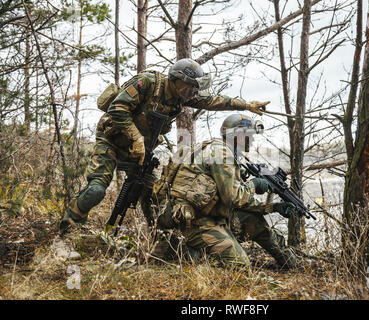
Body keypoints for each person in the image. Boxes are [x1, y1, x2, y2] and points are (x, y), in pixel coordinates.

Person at [59, 58, 269, 235]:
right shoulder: (147, 82)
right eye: (191, 89)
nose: (193, 94)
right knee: (96, 190)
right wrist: (136, 139)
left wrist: (247, 105)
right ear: (178, 81)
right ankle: (68, 230)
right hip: (112, 141)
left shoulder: (181, 97)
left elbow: (213, 101)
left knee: (155, 195)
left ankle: (158, 238)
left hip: (141, 153)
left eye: (195, 91)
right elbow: (117, 108)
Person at [153, 113, 301, 269]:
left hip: (212, 215)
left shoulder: (223, 151)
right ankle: (181, 252)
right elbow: (232, 198)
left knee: (255, 221)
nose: (251, 140)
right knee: (240, 266)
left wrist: (271, 208)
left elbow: (237, 200)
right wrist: (254, 184)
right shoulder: (222, 154)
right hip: (197, 222)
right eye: (248, 136)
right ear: (236, 136)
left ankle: (291, 264)